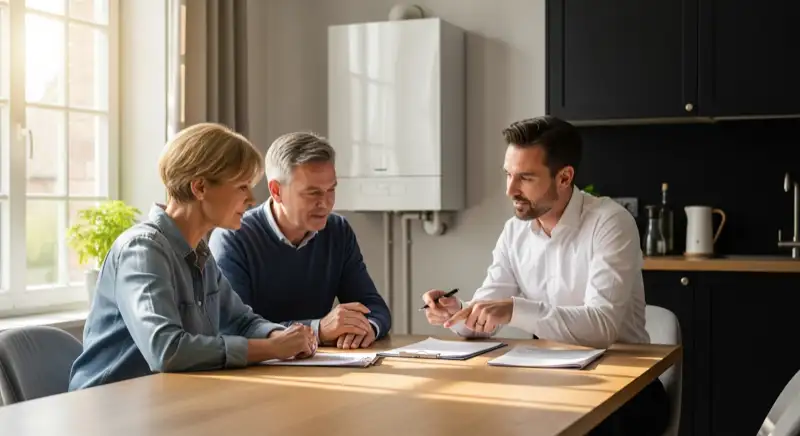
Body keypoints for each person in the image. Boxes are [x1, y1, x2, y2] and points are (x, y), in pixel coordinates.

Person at [421, 116, 669, 436]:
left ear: (564, 177)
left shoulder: (610, 222)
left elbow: (602, 327)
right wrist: (458, 312)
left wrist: (513, 308)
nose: (511, 190)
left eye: (525, 178)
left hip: (624, 391)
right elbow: (489, 308)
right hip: (548, 381)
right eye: (508, 175)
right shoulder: (515, 232)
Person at [69, 123, 317, 391]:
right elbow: (166, 349)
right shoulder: (142, 250)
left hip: (167, 402)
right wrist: (270, 348)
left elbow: (240, 321)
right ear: (200, 187)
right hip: (108, 410)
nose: (252, 199)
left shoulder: (200, 253)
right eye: (242, 186)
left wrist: (280, 336)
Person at [208, 132, 391, 350]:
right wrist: (319, 330)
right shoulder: (233, 236)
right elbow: (235, 328)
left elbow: (374, 307)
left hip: (322, 367)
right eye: (312, 193)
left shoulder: (338, 230)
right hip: (256, 374)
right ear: (276, 191)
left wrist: (366, 327)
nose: (325, 203)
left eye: (331, 190)